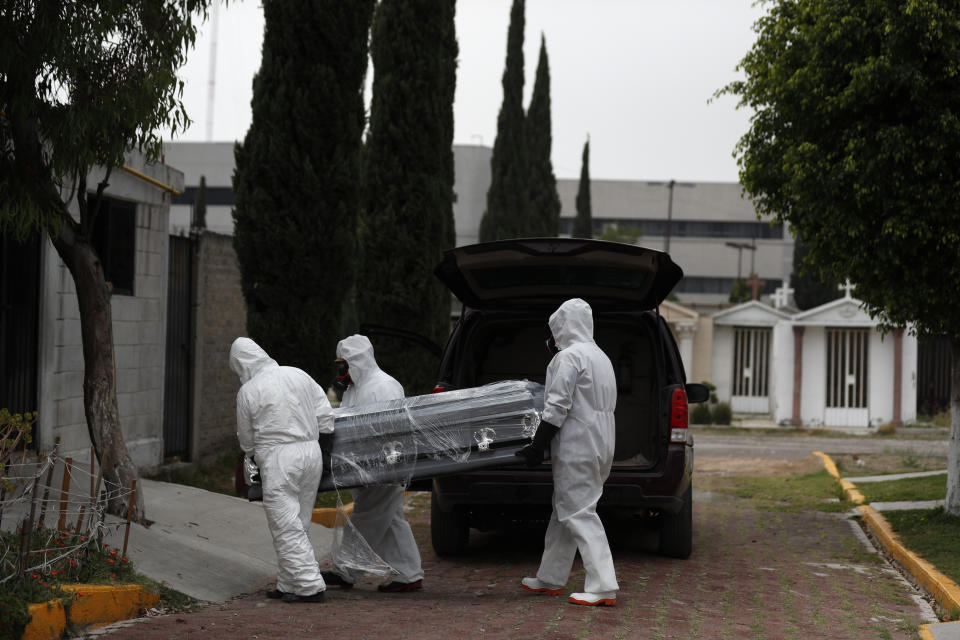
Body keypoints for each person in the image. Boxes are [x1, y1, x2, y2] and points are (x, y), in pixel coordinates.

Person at [516, 298, 619, 607]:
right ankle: (550, 577)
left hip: (578, 444)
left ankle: (602, 586)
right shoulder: (601, 357)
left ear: (562, 327)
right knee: (565, 510)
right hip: (602, 444)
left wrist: (538, 446)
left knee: (578, 512)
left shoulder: (568, 358)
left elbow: (556, 407)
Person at [230, 337, 333, 604]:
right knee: (299, 521)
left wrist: (252, 455)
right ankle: (289, 582)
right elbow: (325, 414)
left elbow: (246, 439)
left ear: (241, 364)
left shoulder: (249, 390)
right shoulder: (298, 374)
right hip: (312, 452)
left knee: (285, 524)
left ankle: (310, 585)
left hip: (278, 457)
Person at [322, 334, 424, 593]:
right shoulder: (356, 387)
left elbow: (390, 430)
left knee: (366, 516)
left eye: (344, 365)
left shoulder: (383, 386)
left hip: (383, 467)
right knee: (391, 520)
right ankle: (410, 574)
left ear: (357, 361)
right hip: (365, 466)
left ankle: (347, 571)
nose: (341, 371)